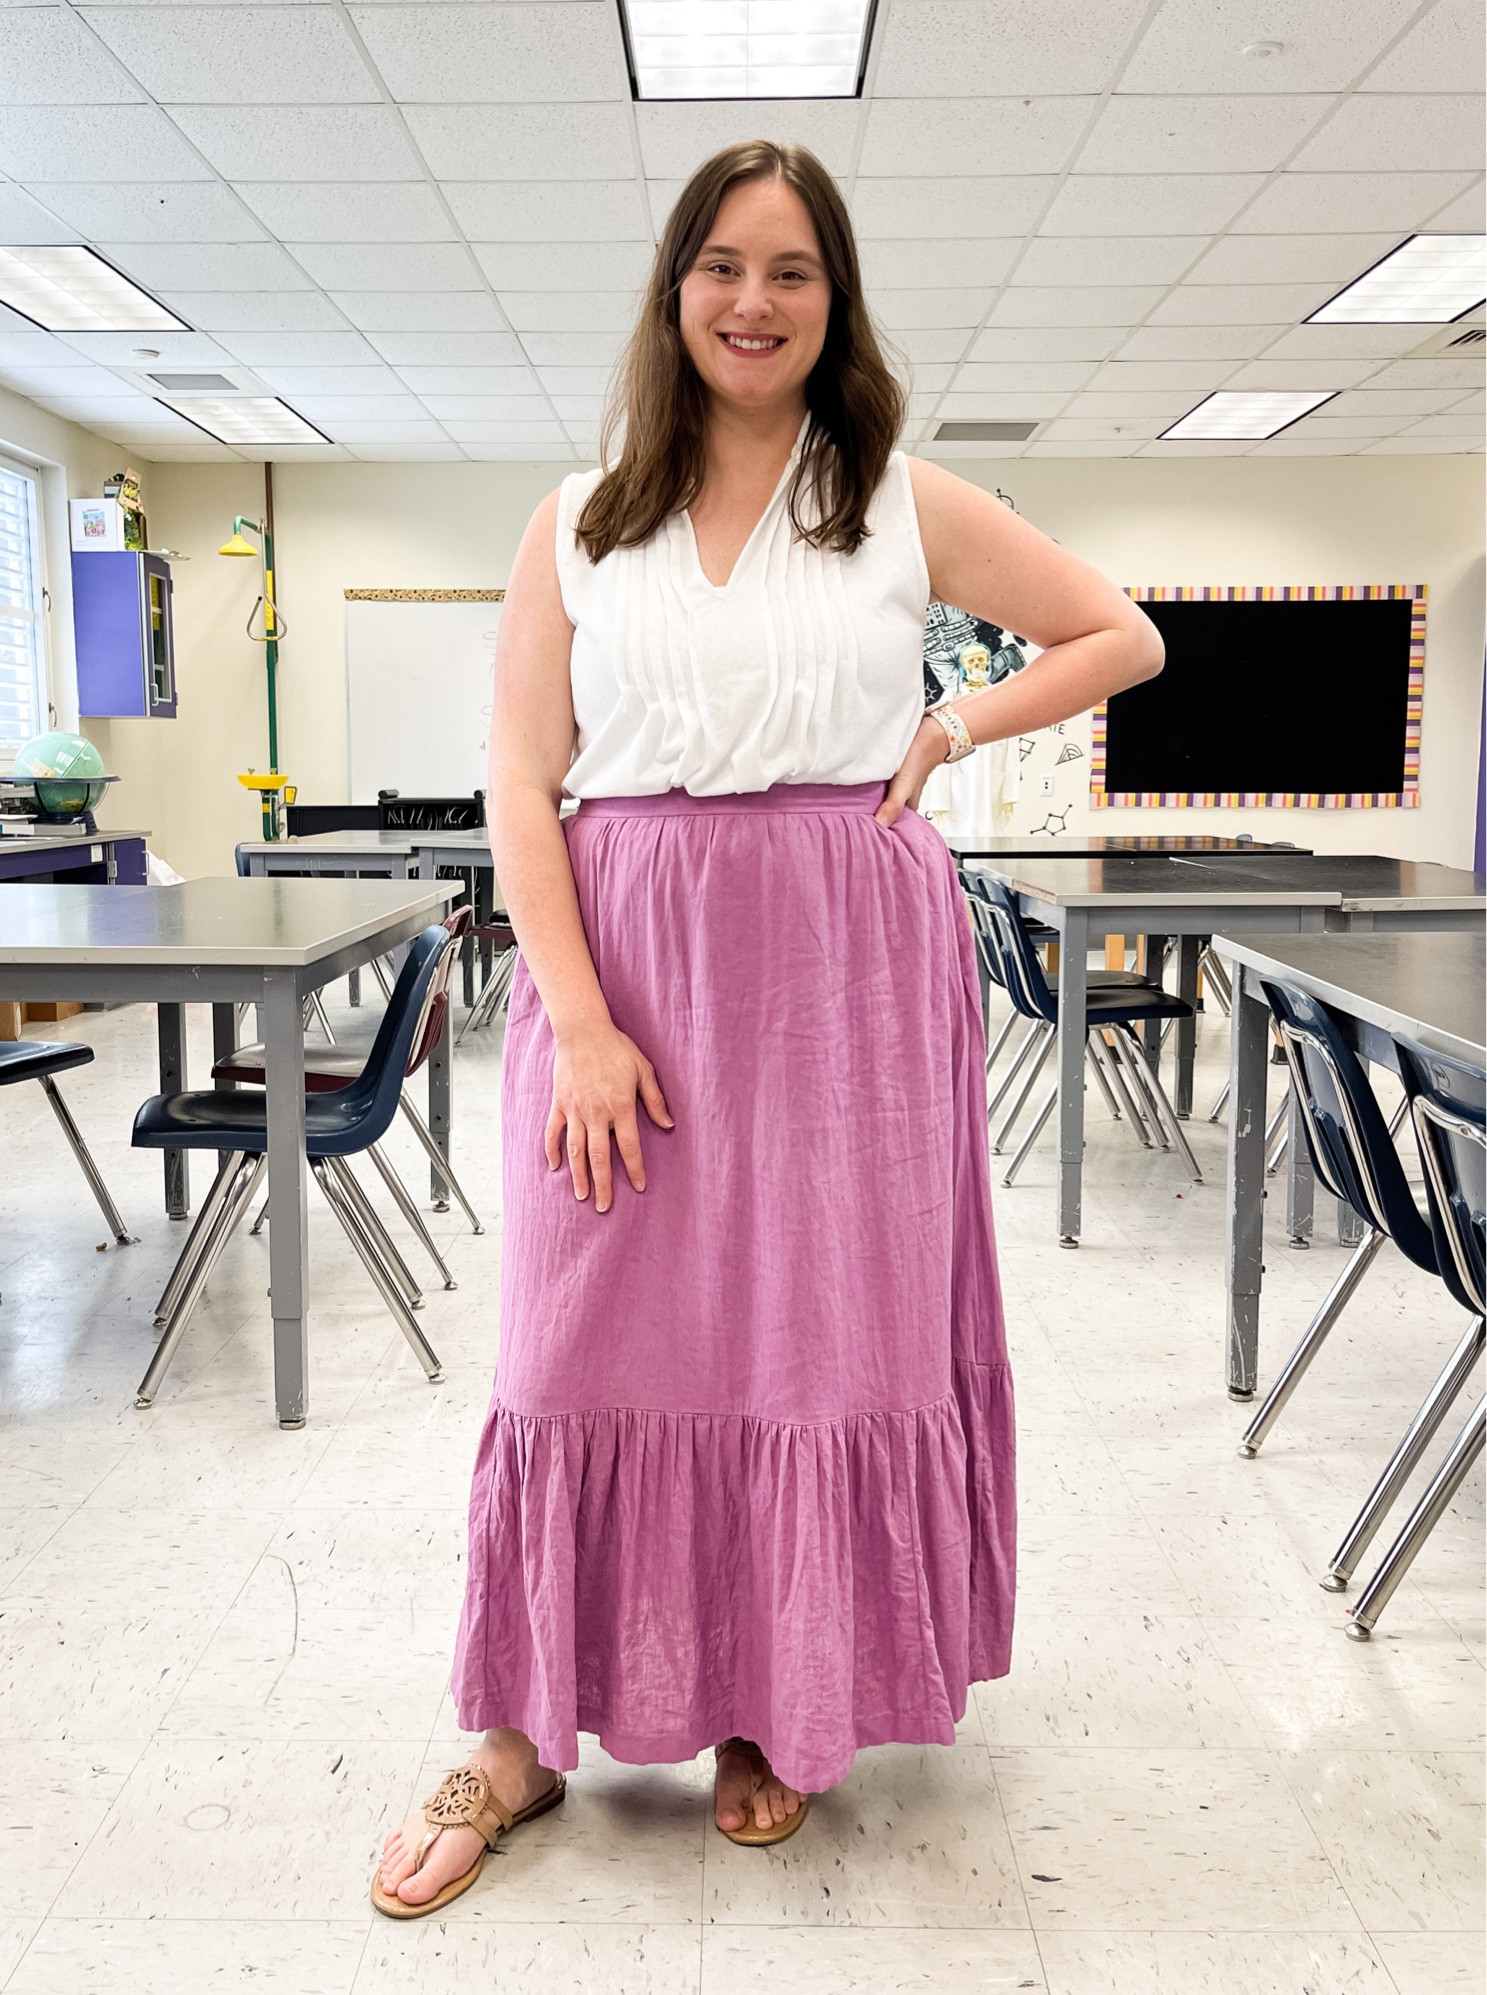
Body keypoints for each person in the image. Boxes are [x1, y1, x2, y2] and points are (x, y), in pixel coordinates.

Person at [373, 139, 1161, 1917]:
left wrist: (956, 732)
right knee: (579, 1339)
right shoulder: (577, 519)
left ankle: (765, 1698)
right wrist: (575, 1021)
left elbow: (1121, 636)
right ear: (675, 290)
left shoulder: (899, 499)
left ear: (834, 301)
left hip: (844, 975)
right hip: (628, 959)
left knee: (810, 1342)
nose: (755, 300)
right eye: (724, 265)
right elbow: (519, 778)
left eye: (793, 270)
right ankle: (512, 1732)